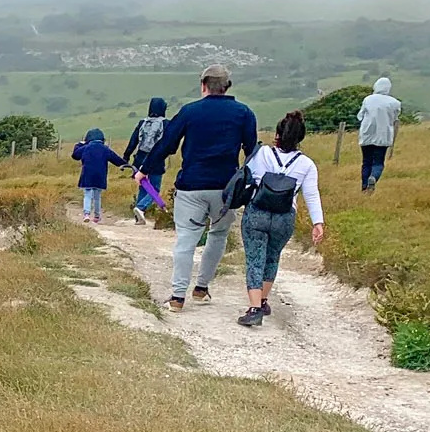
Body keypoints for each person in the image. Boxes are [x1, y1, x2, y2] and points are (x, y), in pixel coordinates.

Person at [134, 64, 258, 312]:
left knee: (186, 239)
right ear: (228, 86)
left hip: (191, 185)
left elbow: (166, 144)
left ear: (203, 85)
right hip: (226, 189)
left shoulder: (189, 112)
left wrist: (144, 170)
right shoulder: (243, 113)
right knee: (218, 235)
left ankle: (178, 296)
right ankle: (201, 287)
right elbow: (251, 150)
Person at [235, 110, 325, 328]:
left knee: (255, 259)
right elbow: (311, 194)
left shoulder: (262, 153)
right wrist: (318, 222)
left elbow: (246, 176)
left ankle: (254, 308)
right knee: (272, 257)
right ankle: (264, 300)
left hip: (257, 212)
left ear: (277, 134)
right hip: (284, 216)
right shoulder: (307, 164)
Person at [121, 98, 169, 223]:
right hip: (156, 158)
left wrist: (126, 156)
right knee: (155, 189)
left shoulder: (142, 122)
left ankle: (139, 216)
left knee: (143, 186)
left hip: (140, 158)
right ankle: (140, 208)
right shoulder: (166, 123)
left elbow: (133, 141)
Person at [71, 127, 126, 223]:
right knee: (97, 196)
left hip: (87, 175)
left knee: (87, 194)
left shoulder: (85, 148)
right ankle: (97, 216)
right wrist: (125, 164)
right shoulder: (105, 149)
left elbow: (75, 155)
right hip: (100, 176)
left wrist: (79, 144)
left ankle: (86, 214)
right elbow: (116, 159)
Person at [356, 77, 402, 191]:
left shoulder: (368, 99)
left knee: (366, 161)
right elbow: (395, 118)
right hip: (383, 135)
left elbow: (360, 116)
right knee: (378, 162)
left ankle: (364, 187)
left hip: (367, 134)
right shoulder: (395, 102)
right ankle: (373, 178)